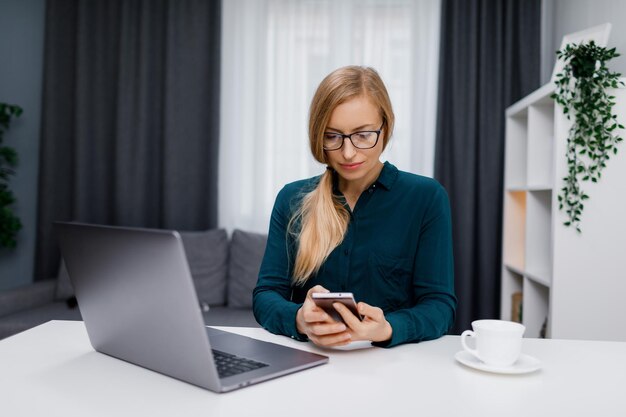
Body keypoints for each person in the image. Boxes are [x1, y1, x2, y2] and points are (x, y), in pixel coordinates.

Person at [253, 66, 456, 348]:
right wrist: (299, 318)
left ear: (386, 127)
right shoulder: (292, 198)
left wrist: (388, 329)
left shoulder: (426, 198)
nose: (348, 153)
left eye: (363, 135)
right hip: (308, 366)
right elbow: (265, 295)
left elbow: (440, 307)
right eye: (333, 136)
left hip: (393, 369)